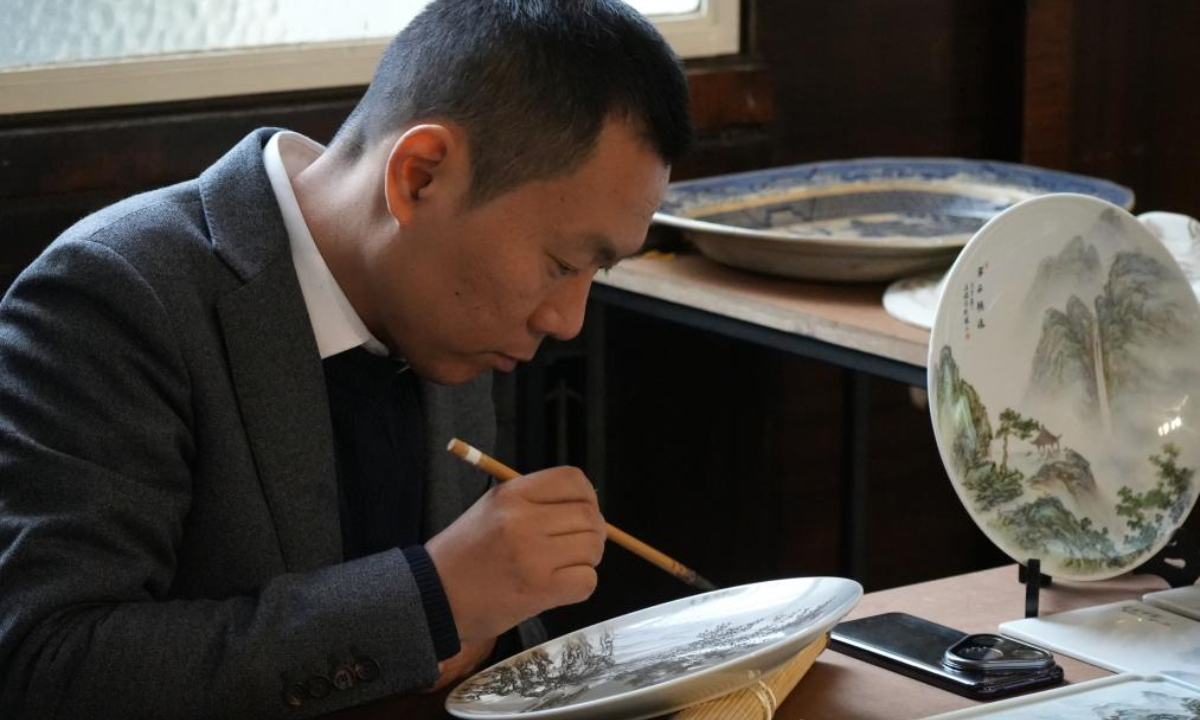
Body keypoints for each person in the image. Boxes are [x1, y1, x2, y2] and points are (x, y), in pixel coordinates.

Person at [0, 1, 691, 717]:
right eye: (559, 263)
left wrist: (494, 604)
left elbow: (460, 635)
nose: (566, 319)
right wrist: (432, 598)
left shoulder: (448, 306)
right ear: (418, 176)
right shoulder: (117, 294)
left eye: (594, 273)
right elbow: (43, 664)